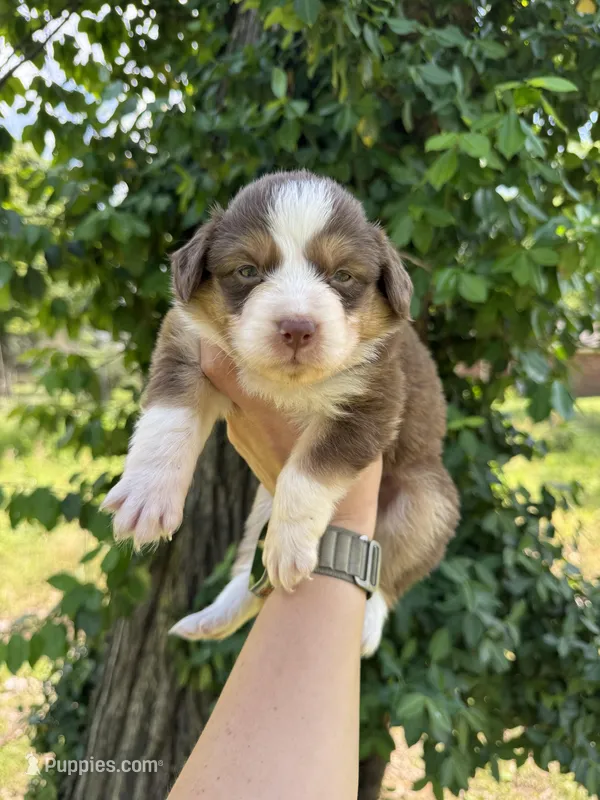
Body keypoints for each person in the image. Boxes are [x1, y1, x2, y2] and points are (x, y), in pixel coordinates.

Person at [168, 342, 383, 800]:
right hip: (323, 479)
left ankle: (381, 593)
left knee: (415, 503)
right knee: (280, 493)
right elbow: (185, 356)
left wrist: (347, 523)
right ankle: (247, 582)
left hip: (380, 467)